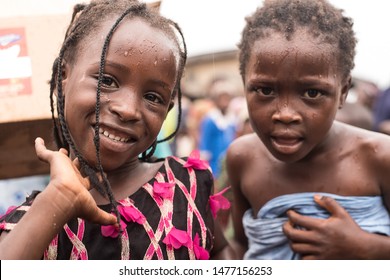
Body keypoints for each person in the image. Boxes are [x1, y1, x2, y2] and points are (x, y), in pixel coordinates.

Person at [0, 0, 234, 260]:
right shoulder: (24, 226)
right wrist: (58, 199)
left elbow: (220, 248)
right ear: (62, 78)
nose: (128, 109)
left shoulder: (188, 184)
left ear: (167, 110)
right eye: (107, 80)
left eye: (153, 97)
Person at [226, 0, 390, 260]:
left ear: (343, 93)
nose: (286, 115)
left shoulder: (379, 156)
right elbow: (241, 246)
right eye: (265, 90)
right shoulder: (242, 158)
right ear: (245, 84)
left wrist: (367, 247)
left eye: (312, 92)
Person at [199, 77, 237, 179]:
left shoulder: (232, 119)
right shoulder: (210, 119)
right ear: (216, 100)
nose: (225, 101)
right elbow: (204, 145)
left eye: (227, 98)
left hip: (228, 163)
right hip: (214, 164)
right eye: (222, 98)